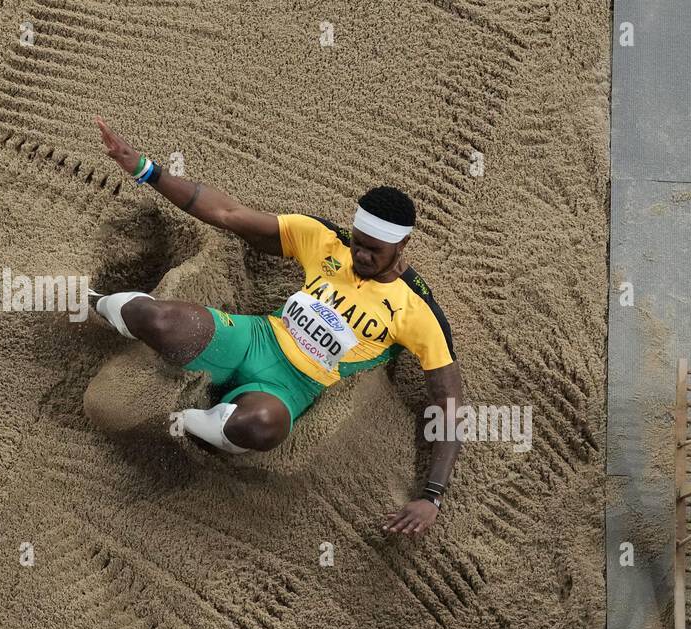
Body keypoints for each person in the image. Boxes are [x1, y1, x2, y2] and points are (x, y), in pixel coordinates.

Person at [88, 117, 462, 536]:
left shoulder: (418, 310)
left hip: (291, 387)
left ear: (402, 245)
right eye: (357, 242)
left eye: (374, 250)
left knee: (262, 427)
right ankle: (92, 305)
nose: (360, 254)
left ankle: (182, 420)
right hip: (253, 339)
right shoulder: (324, 239)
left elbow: (448, 400)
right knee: (154, 318)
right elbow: (228, 213)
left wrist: (431, 496)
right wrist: (147, 170)